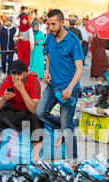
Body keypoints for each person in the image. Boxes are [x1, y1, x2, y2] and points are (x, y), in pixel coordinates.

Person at [36, 9, 84, 162]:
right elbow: (49, 55)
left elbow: (80, 69)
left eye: (53, 24)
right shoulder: (50, 36)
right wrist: (47, 71)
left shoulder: (73, 41)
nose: (50, 27)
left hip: (68, 88)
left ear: (62, 23)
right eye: (48, 24)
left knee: (66, 124)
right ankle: (63, 130)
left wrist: (70, 88)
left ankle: (73, 159)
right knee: (40, 112)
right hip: (52, 86)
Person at [0, 60, 43, 161]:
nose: (16, 77)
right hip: (12, 112)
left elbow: (34, 110)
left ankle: (36, 155)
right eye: (13, 74)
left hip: (27, 114)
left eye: (19, 74)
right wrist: (4, 98)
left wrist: (22, 90)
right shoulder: (7, 80)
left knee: (37, 117)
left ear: (25, 73)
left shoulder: (34, 81)